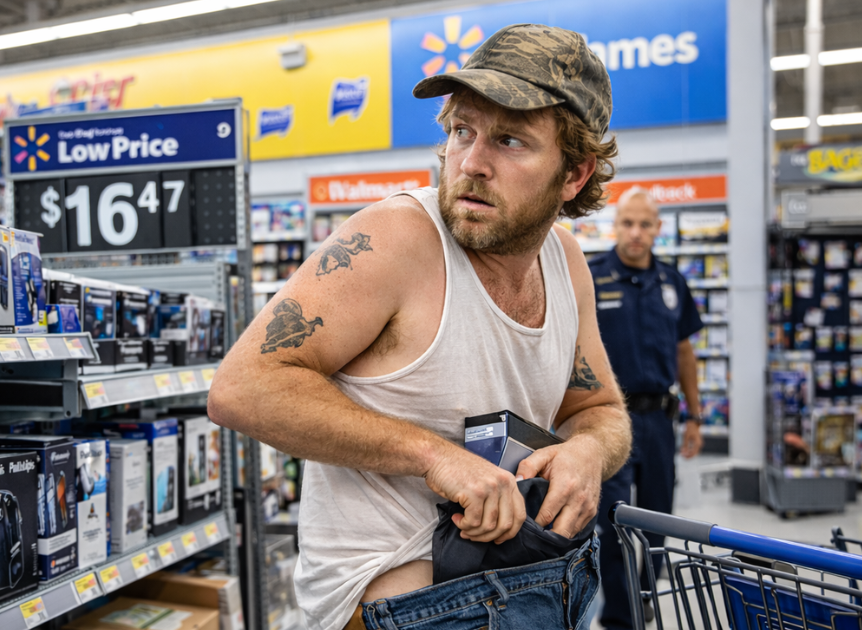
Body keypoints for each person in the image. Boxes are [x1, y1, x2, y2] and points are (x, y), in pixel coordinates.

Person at [209, 24, 630, 630]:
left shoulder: (565, 264)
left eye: (510, 140)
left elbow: (599, 408)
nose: (473, 163)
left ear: (574, 174)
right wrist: (435, 457)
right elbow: (243, 387)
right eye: (463, 132)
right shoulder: (396, 239)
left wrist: (588, 451)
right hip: (401, 610)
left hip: (536, 586)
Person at [590, 187, 704, 630]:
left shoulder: (673, 282)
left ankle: (644, 596)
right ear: (615, 226)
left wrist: (694, 415)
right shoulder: (591, 276)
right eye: (627, 223)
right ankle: (620, 617)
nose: (635, 233)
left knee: (658, 523)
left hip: (659, 421)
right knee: (614, 524)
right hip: (608, 419)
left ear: (658, 229)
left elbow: (684, 353)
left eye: (644, 224)